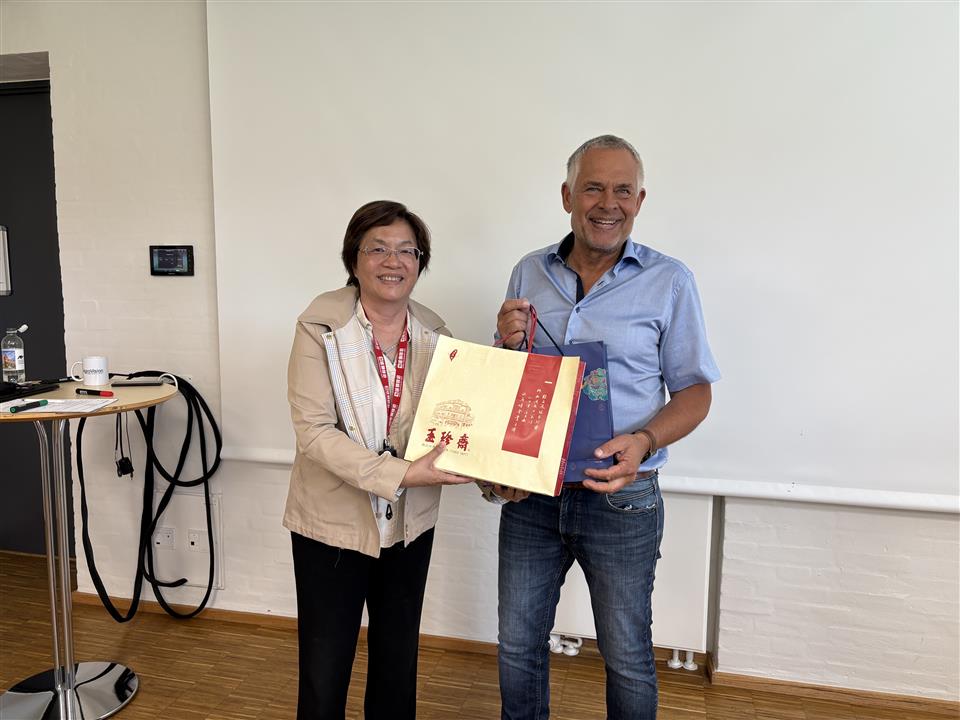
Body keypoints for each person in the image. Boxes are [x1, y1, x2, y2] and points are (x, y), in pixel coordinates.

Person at [493, 135, 720, 720]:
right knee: (517, 646)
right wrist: (506, 346)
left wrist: (645, 440)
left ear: (640, 200)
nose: (608, 203)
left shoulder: (670, 281)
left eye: (623, 190)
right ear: (567, 195)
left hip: (623, 498)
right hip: (532, 494)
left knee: (626, 656)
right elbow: (515, 383)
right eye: (593, 187)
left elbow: (696, 392)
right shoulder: (528, 271)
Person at [284, 200, 472, 720]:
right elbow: (314, 432)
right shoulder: (319, 325)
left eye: (407, 250)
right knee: (324, 671)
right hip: (331, 527)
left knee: (397, 665)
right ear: (354, 258)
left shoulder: (437, 334)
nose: (394, 261)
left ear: (420, 261)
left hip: (410, 525)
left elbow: (456, 425)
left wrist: (495, 470)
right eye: (378, 249)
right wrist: (403, 473)